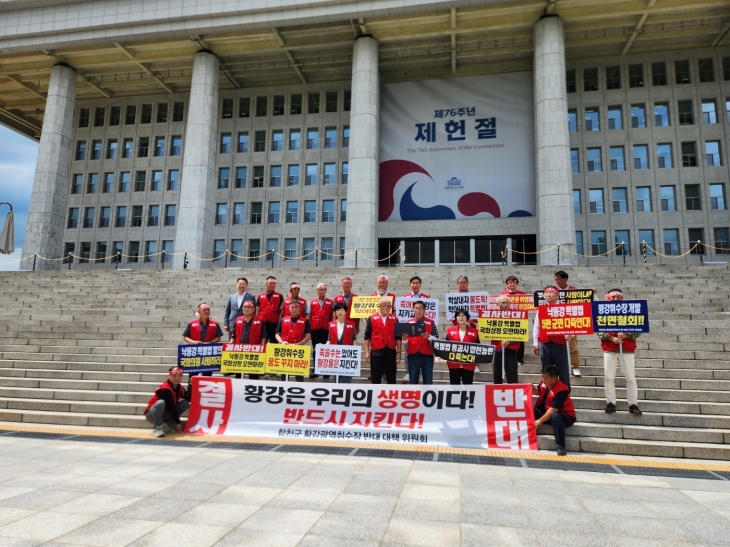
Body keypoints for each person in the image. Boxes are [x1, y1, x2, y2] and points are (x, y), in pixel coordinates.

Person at [598, 288, 642, 415]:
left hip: (627, 349)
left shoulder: (631, 312)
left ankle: (633, 404)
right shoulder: (603, 312)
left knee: (631, 378)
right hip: (609, 349)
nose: (616, 299)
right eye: (613, 297)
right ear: (609, 298)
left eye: (618, 297)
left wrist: (627, 335)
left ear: (622, 298)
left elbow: (639, 329)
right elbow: (599, 330)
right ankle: (610, 402)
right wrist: (611, 337)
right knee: (608, 377)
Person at [532, 286, 571, 389]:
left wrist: (570, 334)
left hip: (560, 344)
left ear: (558, 295)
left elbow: (573, 323)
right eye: (546, 293)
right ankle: (547, 394)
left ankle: (565, 393)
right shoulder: (541, 309)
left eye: (551, 292)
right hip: (545, 343)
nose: (548, 294)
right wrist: (535, 343)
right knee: (546, 371)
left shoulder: (565, 308)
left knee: (563, 370)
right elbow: (537, 326)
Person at [533, 365, 576, 456]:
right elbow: (538, 391)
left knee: (555, 416)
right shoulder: (544, 383)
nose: (543, 380)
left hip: (565, 416)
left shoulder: (561, 390)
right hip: (547, 411)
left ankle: (560, 445)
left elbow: (553, 410)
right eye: (542, 377)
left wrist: (540, 421)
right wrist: (531, 388)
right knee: (530, 408)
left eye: (546, 378)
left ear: (554, 379)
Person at [363, 296, 402, 384]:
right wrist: (366, 351)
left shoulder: (394, 318)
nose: (388, 308)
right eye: (386, 306)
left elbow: (398, 337)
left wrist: (399, 352)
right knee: (375, 378)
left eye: (390, 306)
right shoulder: (372, 318)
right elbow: (367, 336)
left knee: (391, 378)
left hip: (390, 352)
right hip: (376, 352)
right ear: (380, 306)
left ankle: (391, 396)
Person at [182, 302, 223, 381]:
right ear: (199, 311)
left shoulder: (215, 324)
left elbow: (218, 337)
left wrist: (211, 343)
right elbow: (185, 337)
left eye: (208, 310)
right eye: (204, 310)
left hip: (209, 354)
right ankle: (191, 392)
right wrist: (194, 343)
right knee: (192, 377)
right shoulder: (192, 323)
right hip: (194, 354)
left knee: (207, 377)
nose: (206, 311)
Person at [144, 367, 189, 437]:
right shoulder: (165, 389)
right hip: (152, 415)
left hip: (165, 413)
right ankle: (158, 427)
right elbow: (171, 407)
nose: (177, 378)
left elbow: (189, 397)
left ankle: (168, 423)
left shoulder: (179, 388)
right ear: (169, 376)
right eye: (174, 376)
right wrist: (178, 422)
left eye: (180, 376)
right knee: (161, 402)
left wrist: (191, 384)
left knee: (185, 403)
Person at [402, 300, 438, 385]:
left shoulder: (431, 322)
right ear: (413, 309)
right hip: (413, 355)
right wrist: (404, 339)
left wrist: (429, 337)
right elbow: (406, 341)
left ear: (425, 310)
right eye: (416, 308)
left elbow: (436, 338)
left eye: (421, 308)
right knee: (413, 381)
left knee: (428, 381)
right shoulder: (408, 322)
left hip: (427, 356)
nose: (418, 310)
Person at [275, 300, 311, 382]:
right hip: (285, 348)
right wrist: (281, 342)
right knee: (284, 372)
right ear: (289, 309)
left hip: (298, 350)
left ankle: (299, 389)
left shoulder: (305, 321)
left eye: (296, 307)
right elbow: (277, 334)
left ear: (300, 309)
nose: (294, 309)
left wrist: (299, 344)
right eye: (292, 307)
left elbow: (308, 336)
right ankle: (283, 388)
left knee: (298, 373)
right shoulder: (283, 320)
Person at [554, 270, 581, 377]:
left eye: (559, 279)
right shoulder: (554, 290)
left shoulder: (574, 290)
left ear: (566, 279)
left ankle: (576, 367)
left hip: (571, 321)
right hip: (558, 321)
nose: (557, 282)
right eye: (555, 280)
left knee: (573, 346)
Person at [445, 308, 480, 385]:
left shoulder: (474, 331)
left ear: (467, 318)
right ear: (456, 318)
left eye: (463, 316)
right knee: (454, 385)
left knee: (468, 386)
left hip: (468, 363)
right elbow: (446, 346)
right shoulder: (450, 330)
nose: (461, 317)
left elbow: (478, 347)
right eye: (458, 316)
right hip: (454, 363)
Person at [233, 301, 267, 380]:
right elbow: (233, 336)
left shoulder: (260, 320)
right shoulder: (238, 319)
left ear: (253, 309)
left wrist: (262, 348)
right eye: (244, 307)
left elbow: (264, 336)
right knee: (238, 373)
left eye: (248, 307)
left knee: (253, 374)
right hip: (239, 349)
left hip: (254, 350)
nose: (246, 309)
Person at [327, 302, 357, 383]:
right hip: (335, 355)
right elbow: (329, 339)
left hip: (347, 355)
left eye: (342, 310)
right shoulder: (331, 324)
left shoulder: (351, 324)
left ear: (345, 312)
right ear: (335, 312)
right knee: (335, 379)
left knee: (346, 380)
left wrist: (355, 347)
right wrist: (323, 347)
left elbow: (354, 338)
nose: (340, 312)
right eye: (338, 310)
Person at [308, 283, 334, 378]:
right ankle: (316, 370)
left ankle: (326, 371)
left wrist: (332, 327)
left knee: (326, 349)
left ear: (326, 291)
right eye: (319, 289)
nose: (321, 291)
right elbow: (309, 315)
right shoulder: (312, 302)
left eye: (323, 289)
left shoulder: (331, 302)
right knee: (316, 349)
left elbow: (333, 315)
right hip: (315, 328)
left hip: (326, 328)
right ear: (316, 290)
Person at [492, 294, 519, 384]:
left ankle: (514, 395)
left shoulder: (516, 315)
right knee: (497, 375)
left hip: (511, 348)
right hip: (497, 348)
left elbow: (521, 331)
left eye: (507, 302)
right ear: (497, 304)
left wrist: (510, 341)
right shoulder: (492, 315)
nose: (505, 304)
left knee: (512, 375)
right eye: (503, 302)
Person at [501, 275, 525, 365]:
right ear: (507, 284)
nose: (512, 284)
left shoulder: (522, 294)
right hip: (507, 318)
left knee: (521, 338)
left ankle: (520, 358)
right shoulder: (503, 294)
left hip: (520, 318)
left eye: (514, 282)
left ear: (517, 284)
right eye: (509, 283)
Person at [257, 276, 284, 343]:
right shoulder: (260, 295)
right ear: (266, 284)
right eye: (270, 283)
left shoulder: (279, 295)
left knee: (274, 341)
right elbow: (257, 309)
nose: (272, 285)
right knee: (262, 340)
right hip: (263, 321)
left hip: (274, 322)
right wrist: (258, 320)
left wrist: (280, 322)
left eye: (274, 284)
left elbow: (282, 310)